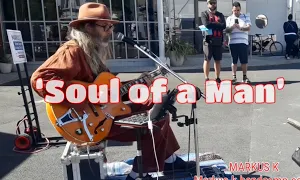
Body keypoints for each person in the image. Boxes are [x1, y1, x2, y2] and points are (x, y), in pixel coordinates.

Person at [30, 3, 195, 180]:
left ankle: (168, 160)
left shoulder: (90, 52)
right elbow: (40, 80)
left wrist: (138, 83)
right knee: (153, 123)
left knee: (156, 107)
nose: (110, 31)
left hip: (100, 114)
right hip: (87, 123)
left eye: (111, 26)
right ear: (88, 27)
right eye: (105, 26)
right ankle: (139, 173)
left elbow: (109, 91)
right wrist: (85, 95)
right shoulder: (72, 51)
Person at [225, 1, 251, 84]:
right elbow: (227, 30)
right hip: (233, 42)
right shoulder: (229, 18)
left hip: (243, 42)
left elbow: (248, 27)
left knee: (244, 61)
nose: (236, 12)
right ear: (232, 10)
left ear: (240, 9)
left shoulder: (245, 16)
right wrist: (232, 27)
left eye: (238, 10)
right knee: (234, 61)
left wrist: (240, 28)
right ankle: (234, 77)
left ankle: (244, 77)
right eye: (234, 10)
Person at [200, 0, 226, 83]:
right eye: (211, 3)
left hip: (218, 40)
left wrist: (213, 24)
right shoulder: (204, 14)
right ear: (207, 4)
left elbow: (223, 26)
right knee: (207, 59)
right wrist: (218, 24)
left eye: (214, 3)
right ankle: (206, 78)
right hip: (208, 41)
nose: (212, 4)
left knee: (217, 60)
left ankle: (217, 77)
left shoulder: (220, 15)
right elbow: (206, 24)